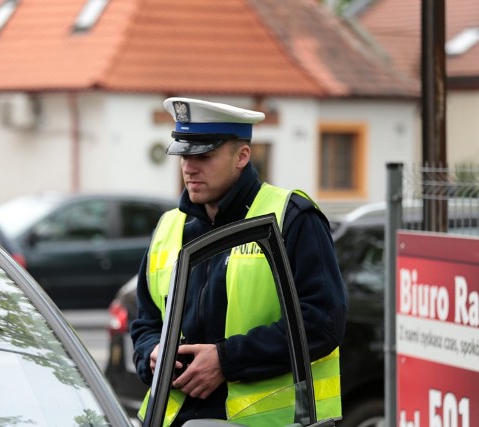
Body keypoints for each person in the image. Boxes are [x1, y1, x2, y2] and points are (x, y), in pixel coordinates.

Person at [131, 97, 347, 426]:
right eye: (183, 155)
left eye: (204, 155)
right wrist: (152, 354)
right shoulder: (168, 227)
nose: (189, 167)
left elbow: (321, 323)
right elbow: (145, 324)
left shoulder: (292, 217)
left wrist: (226, 360)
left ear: (242, 156)